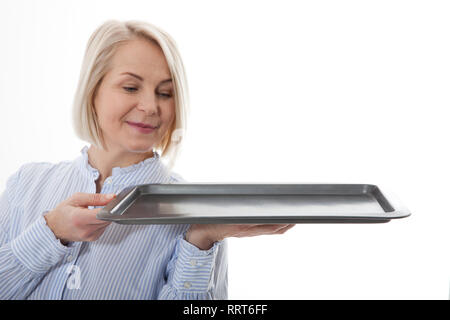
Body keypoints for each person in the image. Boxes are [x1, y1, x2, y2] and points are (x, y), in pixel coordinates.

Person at [0, 19, 295, 300]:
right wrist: (50, 232)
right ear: (93, 90)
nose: (150, 106)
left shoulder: (192, 212)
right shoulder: (26, 185)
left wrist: (201, 240)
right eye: (131, 87)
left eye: (165, 93)